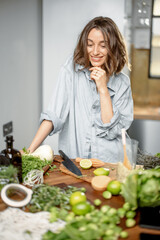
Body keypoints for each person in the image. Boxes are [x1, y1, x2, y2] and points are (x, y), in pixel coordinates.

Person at [26, 16, 133, 163]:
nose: (95, 52)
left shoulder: (122, 83)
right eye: (90, 44)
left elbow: (112, 131)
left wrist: (103, 89)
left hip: (110, 162)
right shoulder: (71, 69)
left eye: (103, 45)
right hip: (75, 160)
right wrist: (28, 152)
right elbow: (54, 115)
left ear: (113, 47)